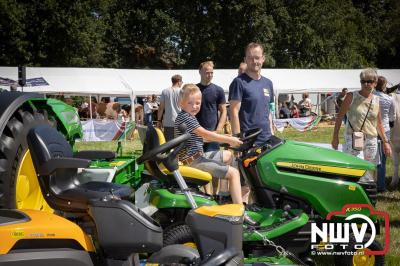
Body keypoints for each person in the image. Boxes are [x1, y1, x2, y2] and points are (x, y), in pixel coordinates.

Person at [174, 84, 255, 224]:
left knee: (228, 156)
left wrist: (227, 137)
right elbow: (205, 134)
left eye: (197, 103)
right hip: (194, 161)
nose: (195, 106)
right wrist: (229, 139)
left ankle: (223, 196)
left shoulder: (187, 116)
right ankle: (240, 212)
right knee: (234, 174)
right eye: (190, 103)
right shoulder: (186, 118)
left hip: (197, 156)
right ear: (180, 103)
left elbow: (202, 137)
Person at [331, 68, 391, 181]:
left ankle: (366, 195)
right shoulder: (351, 96)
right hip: (353, 138)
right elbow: (339, 118)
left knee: (369, 171)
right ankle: (353, 193)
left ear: (375, 83)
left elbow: (378, 123)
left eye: (369, 81)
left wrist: (385, 142)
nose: (366, 84)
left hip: (371, 140)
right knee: (356, 169)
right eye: (363, 81)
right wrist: (335, 138)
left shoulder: (377, 100)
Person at [229, 42, 275, 145]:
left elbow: (268, 111)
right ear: (245, 60)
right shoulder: (239, 82)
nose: (254, 61)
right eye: (250, 58)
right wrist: (237, 140)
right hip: (249, 141)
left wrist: (272, 133)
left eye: (257, 57)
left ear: (263, 58)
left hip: (267, 139)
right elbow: (234, 112)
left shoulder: (268, 83)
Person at [196, 61, 227, 152]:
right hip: (196, 133)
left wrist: (218, 130)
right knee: (196, 164)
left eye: (211, 73)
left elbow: (223, 110)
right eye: (207, 73)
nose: (210, 75)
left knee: (212, 163)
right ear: (200, 72)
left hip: (212, 133)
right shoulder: (194, 90)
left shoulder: (218, 90)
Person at [374, 76, 395, 192]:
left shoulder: (371, 97)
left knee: (370, 156)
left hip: (372, 129)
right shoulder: (389, 99)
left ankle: (370, 183)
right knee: (382, 159)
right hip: (385, 130)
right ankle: (381, 186)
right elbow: (392, 116)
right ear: (384, 86)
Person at [157, 75, 183, 141]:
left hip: (168, 121)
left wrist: (159, 120)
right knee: (179, 145)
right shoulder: (182, 91)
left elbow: (161, 108)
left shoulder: (165, 91)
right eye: (182, 82)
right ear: (179, 82)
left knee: (169, 144)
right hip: (180, 121)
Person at [389, 86, 400, 190]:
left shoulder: (391, 97)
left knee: (395, 157)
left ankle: (395, 178)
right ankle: (395, 178)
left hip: (393, 131)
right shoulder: (392, 98)